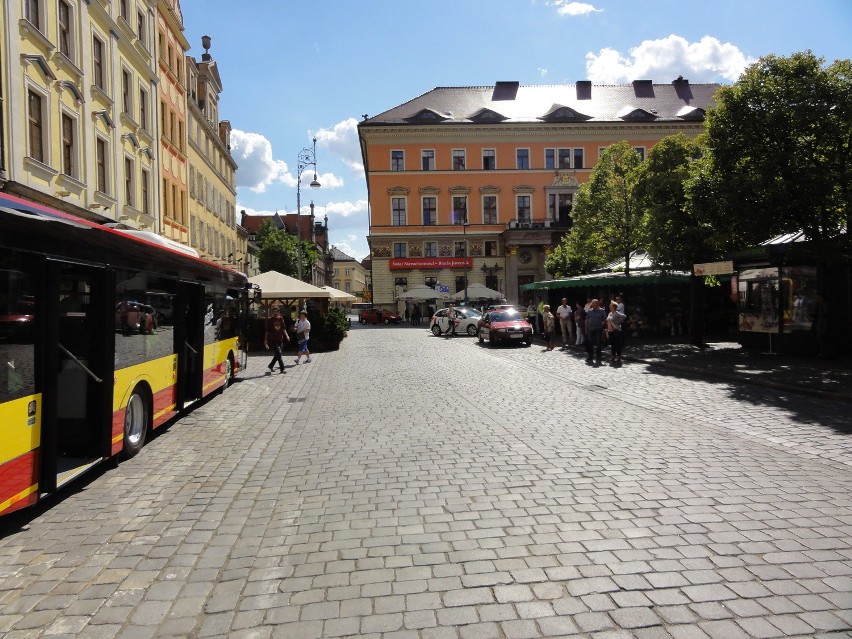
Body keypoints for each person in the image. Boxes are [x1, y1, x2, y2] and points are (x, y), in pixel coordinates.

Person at [264, 307, 289, 374]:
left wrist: (286, 335)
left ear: (278, 311)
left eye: (276, 311)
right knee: (279, 353)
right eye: (274, 311)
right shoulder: (270, 320)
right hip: (273, 339)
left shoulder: (281, 319)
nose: (275, 313)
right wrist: (265, 340)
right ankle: (282, 369)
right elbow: (267, 331)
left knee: (277, 354)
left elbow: (283, 328)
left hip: (280, 339)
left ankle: (271, 365)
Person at [585, 299, 607, 365]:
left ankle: (599, 357)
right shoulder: (590, 311)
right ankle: (590, 356)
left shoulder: (602, 311)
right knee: (590, 342)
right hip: (590, 329)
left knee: (598, 343)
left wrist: (603, 323)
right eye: (592, 304)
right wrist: (586, 328)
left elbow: (605, 319)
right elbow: (587, 319)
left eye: (594, 304)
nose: (593, 305)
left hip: (598, 328)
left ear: (597, 304)